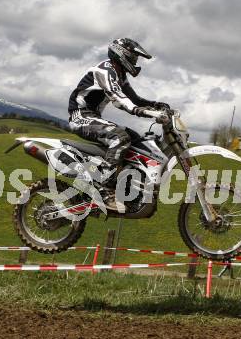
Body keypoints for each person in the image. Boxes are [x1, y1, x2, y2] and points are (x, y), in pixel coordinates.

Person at [68, 38, 170, 211]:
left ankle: (128, 186)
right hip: (80, 116)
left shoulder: (119, 74)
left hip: (93, 117)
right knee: (120, 138)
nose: (135, 62)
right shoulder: (105, 70)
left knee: (136, 139)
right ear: (122, 54)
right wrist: (145, 112)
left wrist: (156, 105)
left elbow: (134, 99)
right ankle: (105, 190)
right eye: (133, 57)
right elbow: (120, 99)